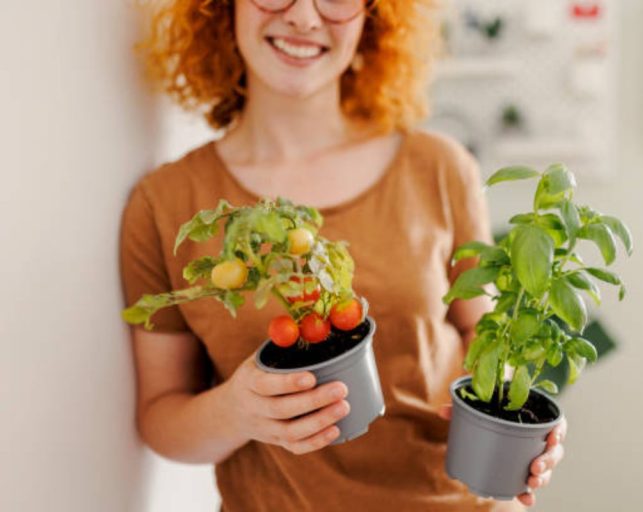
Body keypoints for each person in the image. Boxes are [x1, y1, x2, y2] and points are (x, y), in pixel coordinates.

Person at [119, 0, 566, 510]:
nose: (305, 18)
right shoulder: (165, 203)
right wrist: (236, 412)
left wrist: (520, 421)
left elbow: (484, 343)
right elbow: (160, 418)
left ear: (374, 15)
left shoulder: (439, 168)